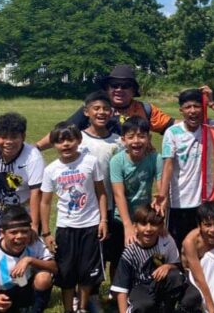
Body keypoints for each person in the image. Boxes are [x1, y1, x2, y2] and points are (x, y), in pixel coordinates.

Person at [153, 86, 214, 250]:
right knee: (179, 243)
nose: (193, 111)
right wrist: (163, 195)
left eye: (197, 106)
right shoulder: (172, 133)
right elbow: (168, 165)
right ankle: (180, 273)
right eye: (188, 107)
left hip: (205, 198)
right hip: (180, 199)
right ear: (181, 111)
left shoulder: (211, 127)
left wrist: (212, 103)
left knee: (203, 241)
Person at [39, 122, 108, 313]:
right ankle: (69, 309)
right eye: (60, 141)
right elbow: (45, 202)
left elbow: (101, 193)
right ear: (54, 145)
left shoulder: (90, 162)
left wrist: (103, 220)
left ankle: (83, 308)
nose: (65, 145)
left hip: (91, 225)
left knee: (87, 272)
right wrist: (46, 232)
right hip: (66, 227)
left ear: (78, 140)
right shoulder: (51, 170)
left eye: (70, 139)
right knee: (66, 272)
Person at [35, 64, 175, 150]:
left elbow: (174, 125)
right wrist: (36, 148)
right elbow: (63, 131)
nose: (119, 89)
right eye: (114, 85)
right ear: (107, 89)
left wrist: (195, 113)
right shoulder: (93, 110)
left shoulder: (145, 109)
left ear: (133, 91)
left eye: (125, 86)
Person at [0, 112, 45, 242]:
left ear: (23, 137)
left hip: (25, 220)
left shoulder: (33, 157)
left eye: (14, 137)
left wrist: (34, 225)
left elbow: (36, 193)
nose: (8, 142)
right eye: (3, 137)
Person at [77, 91, 123, 293]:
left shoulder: (118, 142)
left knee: (114, 253)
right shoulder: (78, 140)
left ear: (112, 112)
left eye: (106, 109)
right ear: (86, 111)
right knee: (89, 255)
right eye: (96, 108)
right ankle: (88, 293)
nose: (101, 112)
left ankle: (116, 292)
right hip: (86, 209)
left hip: (112, 207)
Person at [110, 205, 183, 313]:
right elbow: (121, 288)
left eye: (153, 224)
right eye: (143, 224)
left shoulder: (166, 240)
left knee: (177, 278)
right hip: (139, 289)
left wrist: (168, 266)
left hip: (158, 285)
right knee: (144, 304)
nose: (148, 229)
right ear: (135, 227)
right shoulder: (130, 251)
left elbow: (178, 267)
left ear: (160, 227)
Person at [110, 117, 163, 263]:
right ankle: (117, 286)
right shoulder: (117, 161)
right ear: (123, 140)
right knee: (119, 259)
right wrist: (128, 225)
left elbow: (161, 187)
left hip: (144, 218)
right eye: (131, 137)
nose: (136, 141)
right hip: (121, 218)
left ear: (149, 137)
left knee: (146, 257)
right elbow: (118, 194)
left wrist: (159, 202)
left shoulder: (155, 158)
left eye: (141, 136)